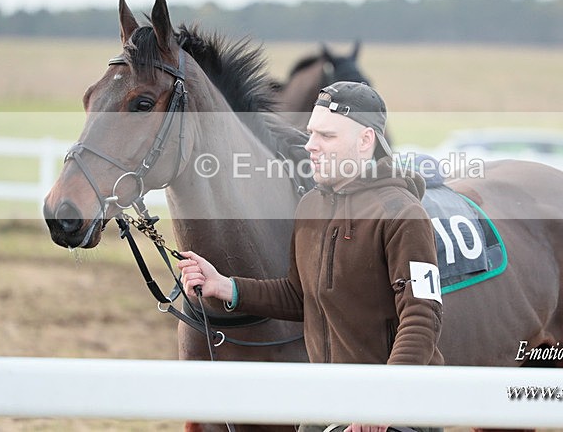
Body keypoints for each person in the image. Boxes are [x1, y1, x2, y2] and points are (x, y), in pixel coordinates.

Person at [178, 81, 443, 432]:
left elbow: (422, 317)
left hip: (395, 411)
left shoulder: (402, 213)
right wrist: (226, 287)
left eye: (327, 136)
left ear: (366, 141)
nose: (310, 146)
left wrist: (384, 400)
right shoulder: (311, 206)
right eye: (311, 133)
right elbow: (299, 296)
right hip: (324, 404)